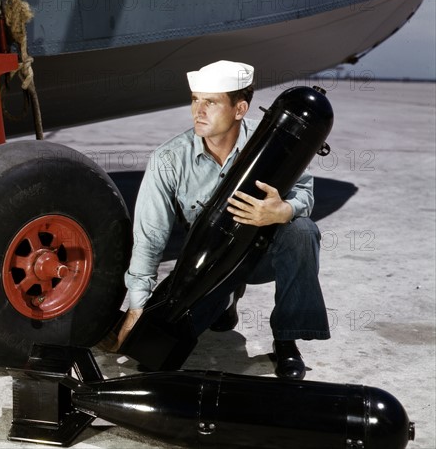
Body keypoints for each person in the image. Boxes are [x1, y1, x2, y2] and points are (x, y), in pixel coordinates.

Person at [115, 60, 330, 380]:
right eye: (195, 100)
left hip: (264, 250)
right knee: (155, 356)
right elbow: (150, 236)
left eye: (211, 102)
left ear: (240, 108)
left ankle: (286, 341)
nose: (198, 111)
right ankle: (225, 300)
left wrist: (281, 211)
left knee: (301, 230)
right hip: (211, 260)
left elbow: (305, 196)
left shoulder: (276, 140)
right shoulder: (169, 159)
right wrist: (137, 306)